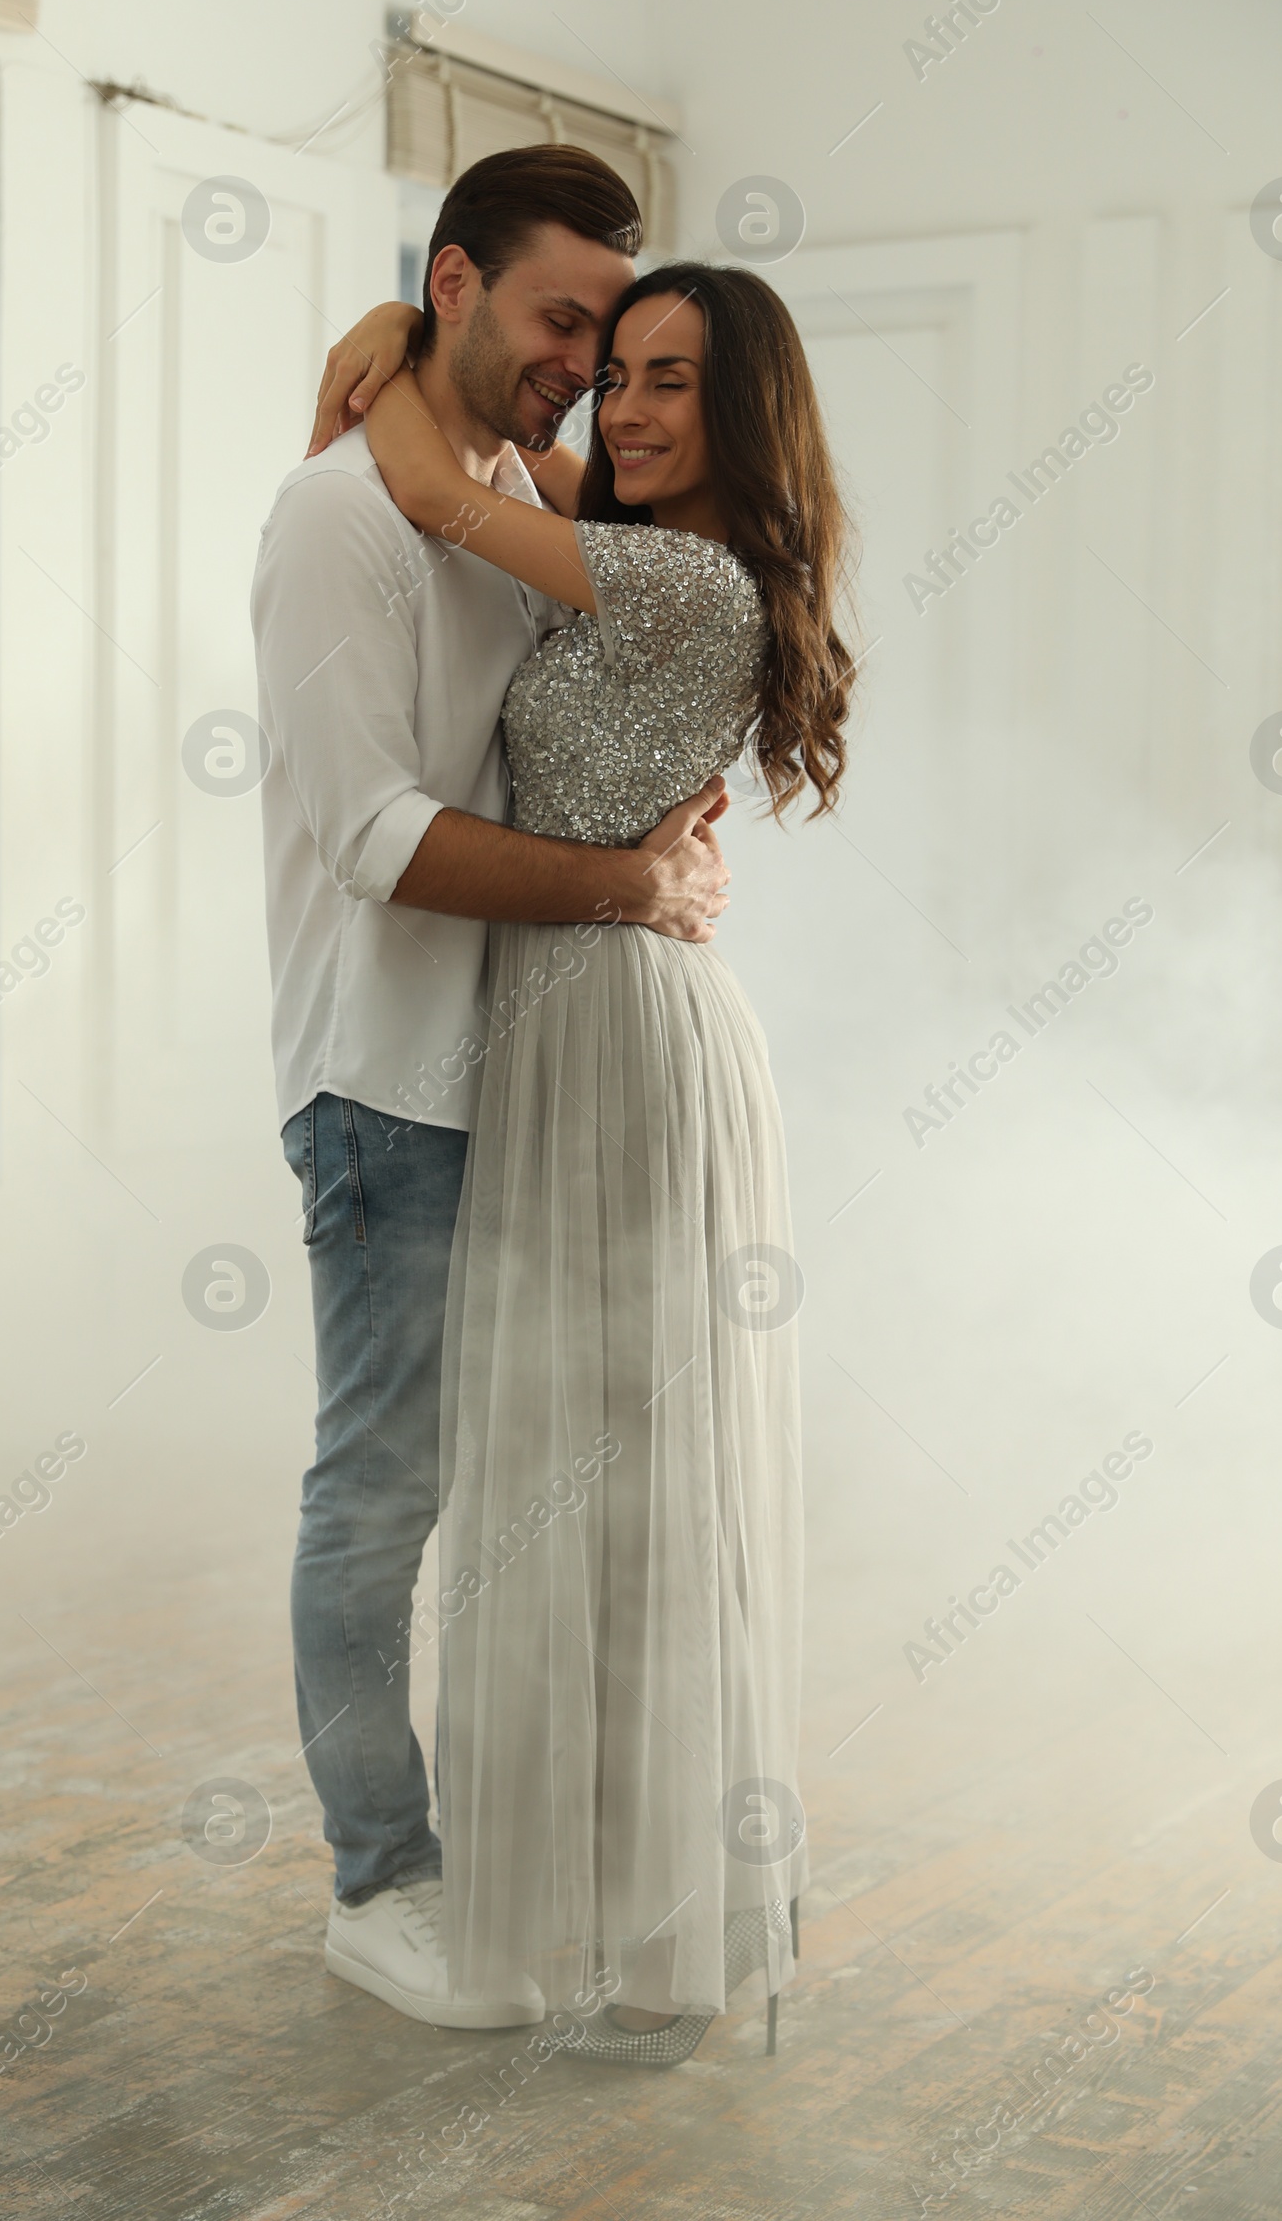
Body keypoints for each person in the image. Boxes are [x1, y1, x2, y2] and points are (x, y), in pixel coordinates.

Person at [335, 254, 855, 2066]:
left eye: (669, 383)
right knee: (584, 1468)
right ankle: (604, 1913)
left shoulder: (678, 576)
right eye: (613, 371)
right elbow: (498, 484)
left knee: (605, 1474)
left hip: (614, 1030)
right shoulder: (656, 547)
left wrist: (390, 342)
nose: (622, 411)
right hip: (589, 1010)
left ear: (744, 414)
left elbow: (420, 483)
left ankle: (590, 1924)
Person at [249, 145, 731, 2034]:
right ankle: (385, 1881)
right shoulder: (333, 519)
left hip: (531, 1080)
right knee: (384, 1499)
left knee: (532, 1496)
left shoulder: (512, 490)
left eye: (612, 339)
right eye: (559, 321)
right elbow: (376, 834)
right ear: (451, 285)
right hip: (385, 1083)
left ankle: (546, 1855)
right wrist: (638, 886)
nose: (588, 370)